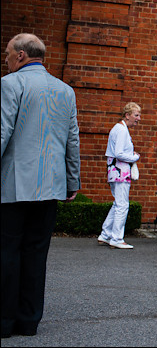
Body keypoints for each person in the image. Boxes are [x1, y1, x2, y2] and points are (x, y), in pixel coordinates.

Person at [1, 33, 80, 339]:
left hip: (13, 186)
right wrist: (73, 180)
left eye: (8, 54)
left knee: (7, 252)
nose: (6, 59)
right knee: (36, 254)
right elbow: (72, 139)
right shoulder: (66, 91)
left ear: (20, 56)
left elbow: (3, 132)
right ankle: (29, 320)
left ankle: (5, 322)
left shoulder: (10, 84)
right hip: (50, 187)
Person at [98, 102, 142, 250]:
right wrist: (134, 157)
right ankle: (116, 238)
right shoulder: (122, 130)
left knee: (118, 203)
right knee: (122, 205)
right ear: (127, 115)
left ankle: (105, 234)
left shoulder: (119, 129)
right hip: (120, 171)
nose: (138, 118)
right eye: (136, 115)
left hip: (115, 170)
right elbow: (119, 153)